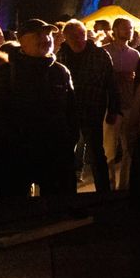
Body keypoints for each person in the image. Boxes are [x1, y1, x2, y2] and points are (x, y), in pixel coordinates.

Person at [0, 19, 78, 199]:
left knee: (59, 211)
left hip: (54, 157)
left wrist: (67, 143)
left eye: (47, 34)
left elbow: (71, 112)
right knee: (16, 212)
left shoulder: (60, 72)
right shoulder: (4, 73)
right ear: (22, 40)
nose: (45, 38)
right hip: (16, 159)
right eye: (38, 34)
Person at [57, 19, 119, 194]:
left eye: (81, 35)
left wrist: (113, 109)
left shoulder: (100, 55)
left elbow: (111, 83)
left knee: (97, 153)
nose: (78, 39)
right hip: (68, 111)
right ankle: (68, 192)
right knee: (67, 152)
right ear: (65, 37)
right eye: (73, 36)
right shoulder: (60, 55)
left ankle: (103, 193)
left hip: (93, 108)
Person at [103, 17, 140, 190]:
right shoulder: (103, 52)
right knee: (109, 151)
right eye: (125, 27)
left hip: (129, 105)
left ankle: (124, 187)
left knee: (129, 150)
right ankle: (109, 187)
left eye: (131, 28)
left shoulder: (135, 54)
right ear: (115, 30)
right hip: (110, 107)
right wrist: (118, 76)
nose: (129, 30)